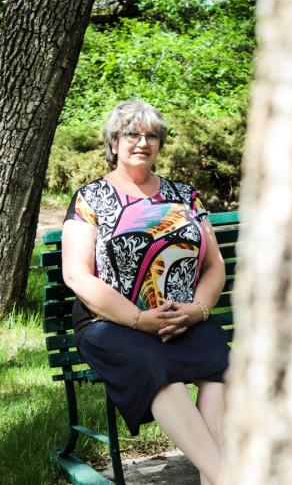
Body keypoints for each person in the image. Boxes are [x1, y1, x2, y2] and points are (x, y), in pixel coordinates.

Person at [62, 99, 229, 485]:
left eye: (151, 135)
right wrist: (140, 319)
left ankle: (215, 478)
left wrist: (198, 310)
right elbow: (76, 275)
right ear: (114, 142)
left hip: (182, 318)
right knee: (158, 371)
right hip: (112, 322)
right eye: (132, 134)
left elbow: (214, 264)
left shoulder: (184, 196)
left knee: (221, 368)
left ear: (160, 144)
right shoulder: (92, 199)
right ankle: (227, 477)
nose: (142, 142)